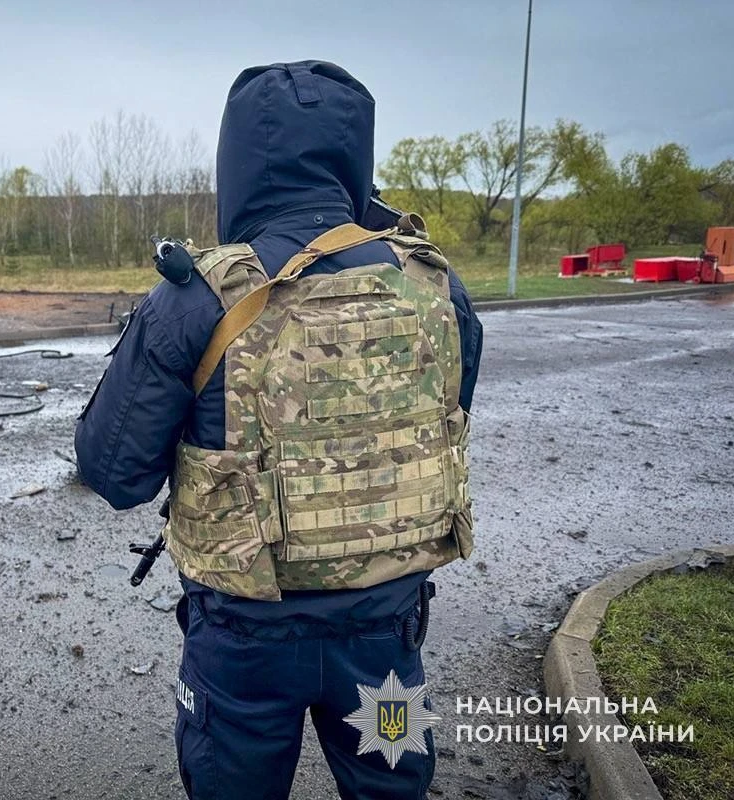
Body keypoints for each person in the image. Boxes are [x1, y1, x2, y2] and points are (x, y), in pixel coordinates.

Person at [74, 60, 483, 800]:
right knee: (392, 788)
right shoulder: (435, 286)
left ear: (236, 160)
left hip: (243, 646)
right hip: (385, 641)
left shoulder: (196, 297)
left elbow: (114, 474)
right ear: (354, 157)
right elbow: (443, 422)